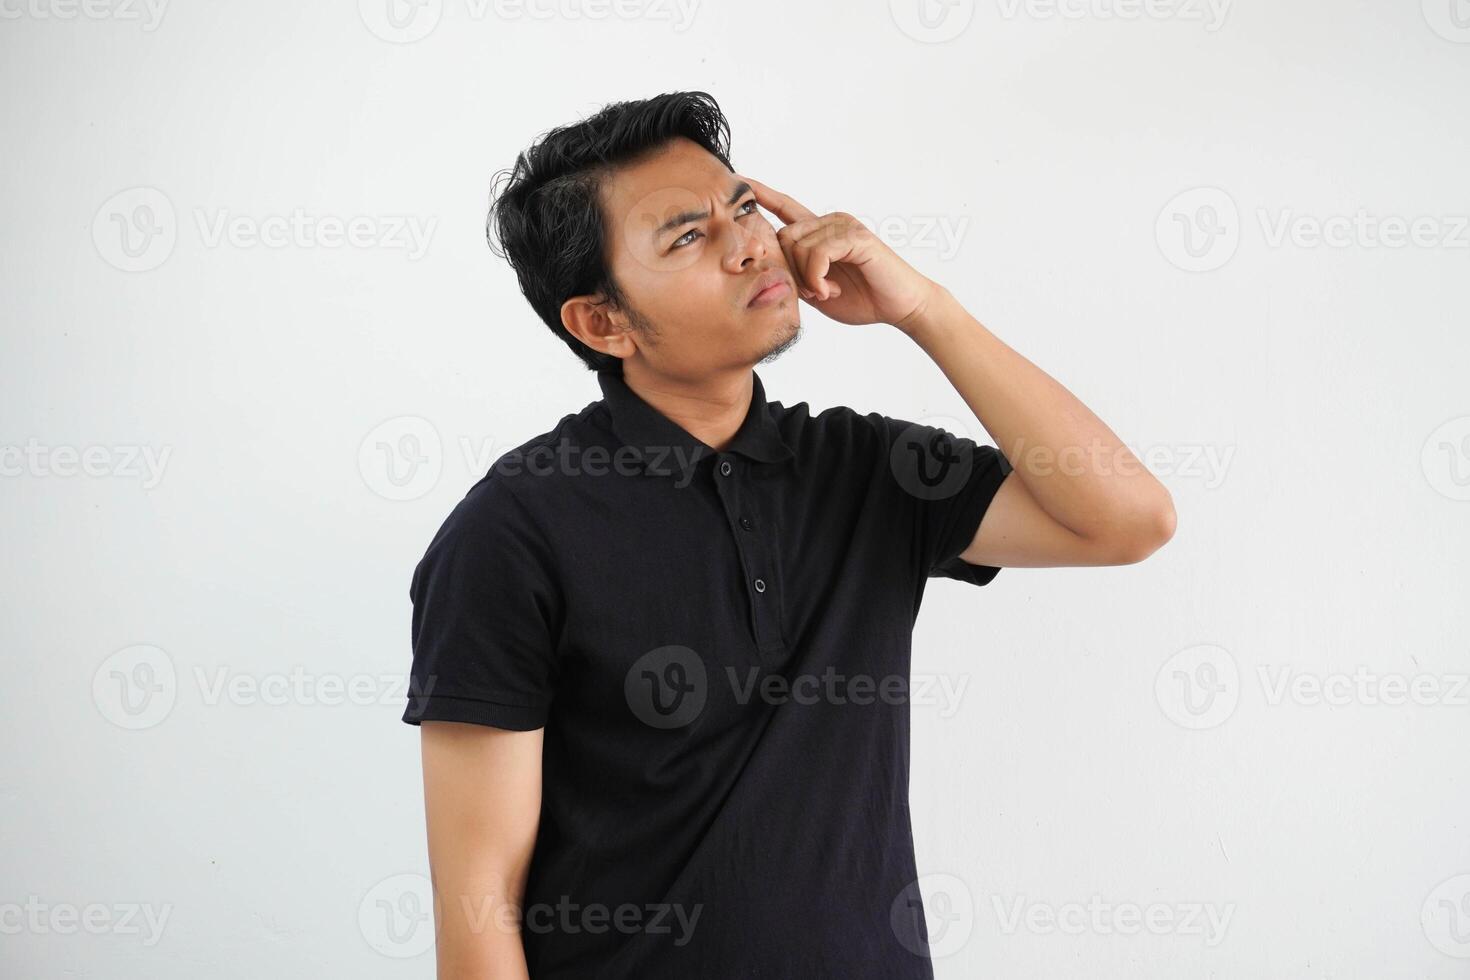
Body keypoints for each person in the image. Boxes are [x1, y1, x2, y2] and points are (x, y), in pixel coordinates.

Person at [402, 90, 1175, 979]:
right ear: (601, 321)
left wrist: (924, 308)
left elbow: (1130, 519)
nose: (749, 245)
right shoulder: (510, 532)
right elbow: (478, 905)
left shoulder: (869, 470)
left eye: (743, 208)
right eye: (688, 237)